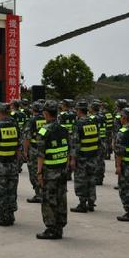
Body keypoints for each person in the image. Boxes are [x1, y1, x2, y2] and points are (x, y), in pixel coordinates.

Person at [36, 100, 70, 240]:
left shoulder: (44, 130)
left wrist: (39, 173)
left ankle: (51, 229)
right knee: (61, 198)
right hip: (62, 170)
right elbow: (68, 150)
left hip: (49, 172)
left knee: (49, 200)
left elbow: (40, 155)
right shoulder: (63, 128)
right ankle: (59, 227)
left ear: (45, 113)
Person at [0, 102, 21, 226]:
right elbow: (18, 145)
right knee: (11, 190)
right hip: (12, 163)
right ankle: (11, 215)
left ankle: (4, 217)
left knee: (0, 190)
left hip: (0, 164)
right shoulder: (15, 125)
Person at [70, 100, 100, 213]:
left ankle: (82, 204)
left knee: (81, 181)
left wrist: (73, 159)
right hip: (92, 156)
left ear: (79, 110)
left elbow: (75, 143)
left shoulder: (78, 124)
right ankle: (91, 203)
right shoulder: (93, 122)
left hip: (82, 158)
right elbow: (98, 140)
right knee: (91, 180)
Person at [23, 101, 46, 203]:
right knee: (43, 171)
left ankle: (39, 194)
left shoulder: (32, 120)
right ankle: (44, 192)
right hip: (45, 149)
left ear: (33, 110)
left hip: (34, 150)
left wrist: (25, 151)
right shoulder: (46, 118)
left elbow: (27, 138)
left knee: (34, 173)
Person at [90, 100, 106, 186]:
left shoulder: (92, 118)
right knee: (101, 161)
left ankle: (96, 178)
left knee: (96, 160)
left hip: (96, 141)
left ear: (92, 108)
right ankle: (100, 178)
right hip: (103, 140)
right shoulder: (103, 116)